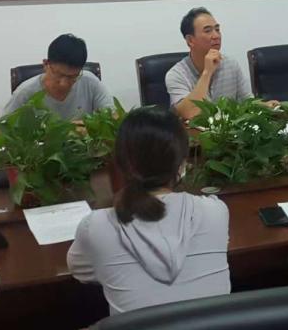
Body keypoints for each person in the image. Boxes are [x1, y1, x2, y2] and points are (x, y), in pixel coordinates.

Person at [68, 106, 229, 314]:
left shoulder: (96, 226)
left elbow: (81, 272)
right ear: (183, 163)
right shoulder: (215, 212)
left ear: (120, 163)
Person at [165, 7, 255, 120]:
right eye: (208, 31)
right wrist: (207, 72)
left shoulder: (231, 64)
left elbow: (248, 102)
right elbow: (190, 114)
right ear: (190, 40)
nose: (216, 36)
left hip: (229, 129)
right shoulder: (176, 75)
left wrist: (266, 106)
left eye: (217, 29)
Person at [4, 33, 114, 120]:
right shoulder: (25, 93)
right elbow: (2, 132)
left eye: (73, 77)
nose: (64, 83)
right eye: (59, 75)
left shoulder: (90, 82)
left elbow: (112, 118)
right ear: (46, 64)